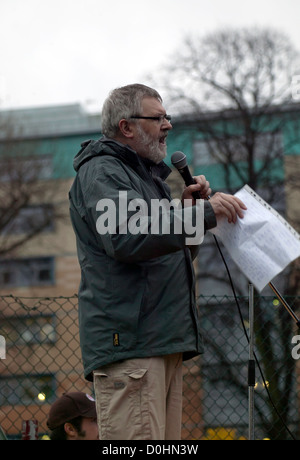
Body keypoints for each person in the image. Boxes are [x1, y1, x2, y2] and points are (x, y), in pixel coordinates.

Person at [69, 83, 246, 440]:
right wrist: (204, 215)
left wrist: (188, 213)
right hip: (132, 345)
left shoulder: (148, 180)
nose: (168, 125)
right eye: (158, 117)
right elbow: (126, 237)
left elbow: (167, 254)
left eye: (168, 117)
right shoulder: (103, 171)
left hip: (160, 342)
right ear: (127, 127)